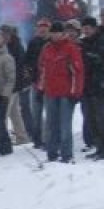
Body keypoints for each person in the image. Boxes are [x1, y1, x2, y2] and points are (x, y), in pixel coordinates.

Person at [39, 21, 84, 163]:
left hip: (66, 92)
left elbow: (78, 71)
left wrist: (76, 91)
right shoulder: (47, 48)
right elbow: (42, 69)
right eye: (52, 33)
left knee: (65, 125)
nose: (54, 35)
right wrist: (41, 88)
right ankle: (51, 154)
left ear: (62, 33)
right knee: (51, 125)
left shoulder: (70, 48)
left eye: (57, 33)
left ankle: (66, 155)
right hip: (50, 92)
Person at [80, 17, 104, 160]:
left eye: (88, 27)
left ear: (95, 28)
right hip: (87, 87)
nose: (86, 30)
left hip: (101, 87)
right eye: (84, 28)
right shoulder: (83, 44)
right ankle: (99, 148)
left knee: (103, 119)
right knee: (91, 119)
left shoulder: (103, 42)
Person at [24, 18, 51, 149]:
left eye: (45, 27)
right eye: (40, 27)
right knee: (36, 112)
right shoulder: (33, 42)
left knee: (48, 112)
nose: (42, 29)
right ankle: (37, 138)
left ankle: (47, 138)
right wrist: (29, 72)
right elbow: (27, 60)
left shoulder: (52, 43)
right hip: (35, 81)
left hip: (49, 82)